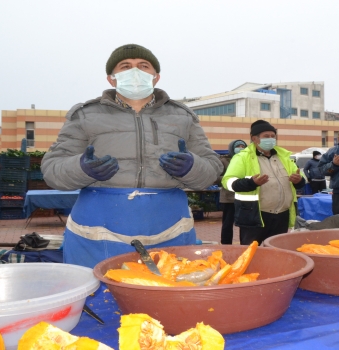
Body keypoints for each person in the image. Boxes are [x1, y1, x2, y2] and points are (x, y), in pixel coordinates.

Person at [42, 44, 222, 268]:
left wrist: (192, 167)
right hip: (97, 227)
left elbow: (212, 168)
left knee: (166, 293)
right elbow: (52, 170)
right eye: (126, 66)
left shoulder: (183, 116)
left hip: (170, 224)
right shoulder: (85, 115)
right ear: (112, 78)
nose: (135, 72)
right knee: (96, 295)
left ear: (156, 77)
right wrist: (82, 168)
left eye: (143, 66)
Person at [222, 120, 305, 245]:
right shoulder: (242, 157)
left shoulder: (284, 156)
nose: (271, 139)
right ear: (254, 138)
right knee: (250, 253)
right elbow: (228, 182)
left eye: (273, 136)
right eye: (266, 136)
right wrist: (251, 183)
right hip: (253, 215)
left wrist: (299, 181)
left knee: (276, 251)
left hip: (281, 215)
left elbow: (301, 178)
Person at [218, 140, 247, 245]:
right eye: (238, 146)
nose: (241, 148)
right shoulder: (224, 161)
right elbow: (216, 178)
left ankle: (245, 245)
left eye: (243, 146)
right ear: (232, 148)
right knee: (227, 224)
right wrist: (231, 179)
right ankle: (226, 245)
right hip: (228, 198)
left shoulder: (247, 160)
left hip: (245, 197)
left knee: (245, 224)